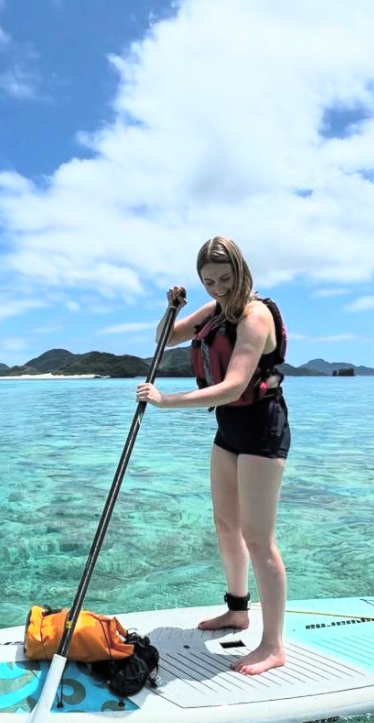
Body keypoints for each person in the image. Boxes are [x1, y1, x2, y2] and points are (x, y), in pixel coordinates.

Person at [136, 236, 290, 675]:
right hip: (229, 430)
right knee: (226, 525)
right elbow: (163, 339)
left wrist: (166, 401)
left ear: (241, 270)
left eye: (225, 278)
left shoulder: (255, 316)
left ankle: (274, 645)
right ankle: (237, 609)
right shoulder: (216, 311)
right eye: (209, 281)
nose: (218, 288)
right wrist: (172, 309)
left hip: (262, 429)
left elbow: (234, 386)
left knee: (259, 539)